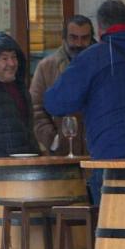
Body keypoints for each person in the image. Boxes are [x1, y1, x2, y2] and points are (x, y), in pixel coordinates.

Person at [44, 0, 125, 204]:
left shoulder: (93, 58)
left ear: (100, 29)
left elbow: (56, 103)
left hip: (112, 158)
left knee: (112, 230)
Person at [30, 15, 94, 155]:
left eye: (84, 38)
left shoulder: (100, 65)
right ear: (64, 38)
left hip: (96, 152)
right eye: (73, 37)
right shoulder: (46, 67)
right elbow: (35, 108)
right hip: (62, 154)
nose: (79, 43)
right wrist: (53, 139)